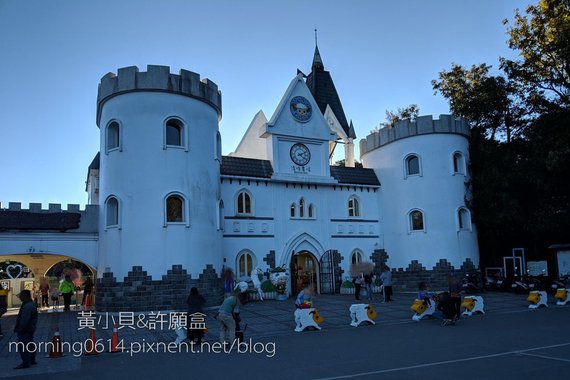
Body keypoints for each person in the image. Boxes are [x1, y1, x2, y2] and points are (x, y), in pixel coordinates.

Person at [13, 290, 38, 369]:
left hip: (25, 329)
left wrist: (20, 328)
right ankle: (32, 359)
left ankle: (26, 362)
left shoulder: (27, 306)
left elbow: (24, 319)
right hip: (30, 328)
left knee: (23, 346)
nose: (20, 297)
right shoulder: (31, 304)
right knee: (30, 344)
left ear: (25, 296)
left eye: (21, 296)